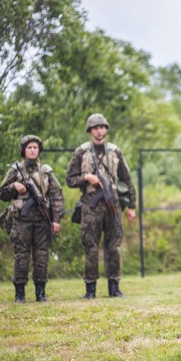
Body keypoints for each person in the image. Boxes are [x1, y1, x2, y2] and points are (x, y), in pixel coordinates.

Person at [66, 114, 136, 299]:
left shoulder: (115, 152)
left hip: (112, 203)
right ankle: (91, 290)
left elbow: (127, 179)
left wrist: (132, 206)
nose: (99, 131)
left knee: (114, 247)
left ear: (106, 129)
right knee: (91, 247)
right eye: (95, 128)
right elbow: (69, 180)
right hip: (91, 205)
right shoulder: (81, 152)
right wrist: (86, 178)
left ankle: (114, 287)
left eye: (102, 127)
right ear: (90, 130)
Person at [0, 135, 65, 303]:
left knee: (42, 255)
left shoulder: (46, 171)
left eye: (35, 147)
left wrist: (56, 219)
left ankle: (40, 292)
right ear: (23, 150)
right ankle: (19, 294)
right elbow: (2, 193)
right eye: (29, 147)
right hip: (21, 219)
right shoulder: (16, 170)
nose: (33, 150)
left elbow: (57, 195)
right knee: (21, 255)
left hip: (42, 219)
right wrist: (14, 186)